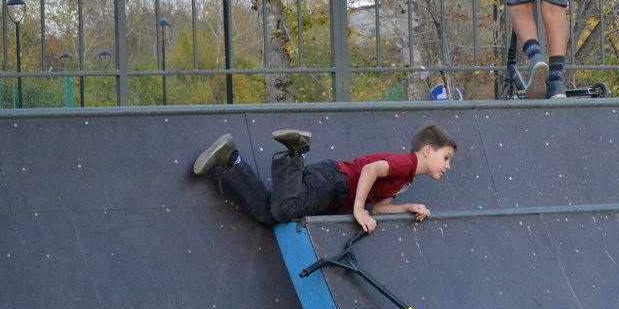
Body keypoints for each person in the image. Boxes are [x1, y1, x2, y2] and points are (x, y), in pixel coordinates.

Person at [191, 124, 457, 232]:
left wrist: (409, 207)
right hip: (335, 182)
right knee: (283, 209)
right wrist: (358, 211)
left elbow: (378, 208)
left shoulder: (407, 177)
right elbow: (370, 170)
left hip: (331, 187)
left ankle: (230, 160)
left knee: (266, 213)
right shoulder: (404, 163)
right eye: (446, 157)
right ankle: (294, 155)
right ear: (427, 150)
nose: (447, 166)